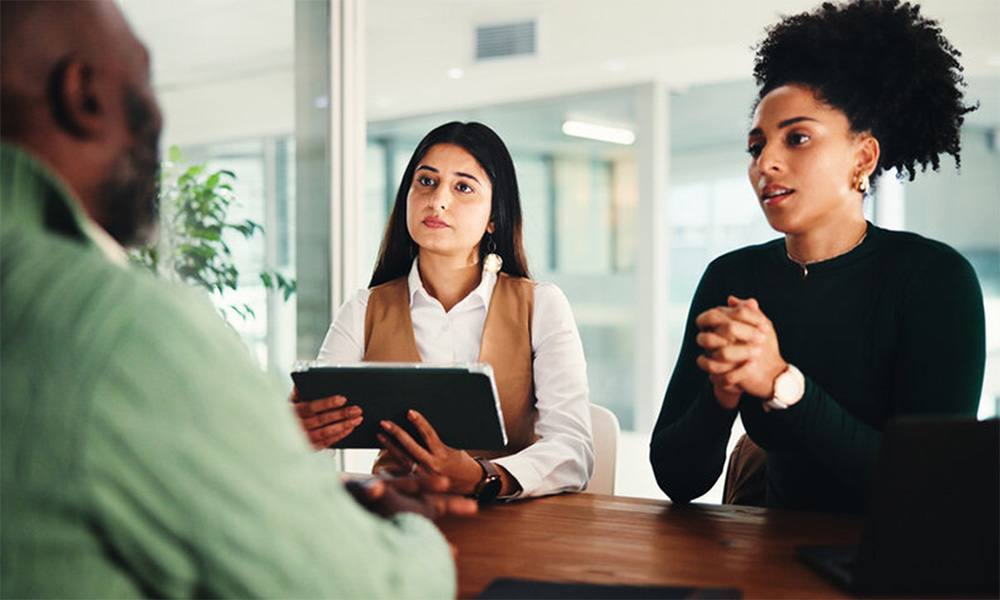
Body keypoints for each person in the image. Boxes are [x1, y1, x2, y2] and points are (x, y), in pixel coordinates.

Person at [0, 2, 472, 597]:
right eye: (144, 76)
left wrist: (313, 503)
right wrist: (412, 524)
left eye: (463, 188)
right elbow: (370, 589)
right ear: (85, 95)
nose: (440, 202)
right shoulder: (123, 330)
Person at [649, 0, 985, 515]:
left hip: (893, 571)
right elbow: (677, 479)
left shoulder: (934, 280)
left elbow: (927, 492)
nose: (767, 162)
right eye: (756, 146)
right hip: (769, 561)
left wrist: (783, 383)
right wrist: (720, 395)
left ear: (863, 157)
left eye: (797, 138)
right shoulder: (733, 277)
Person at [295, 122, 595, 501]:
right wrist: (296, 433)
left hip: (511, 522)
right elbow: (312, 424)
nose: (438, 200)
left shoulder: (542, 306)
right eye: (426, 182)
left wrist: (482, 477)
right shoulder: (363, 309)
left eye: (463, 187)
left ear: (494, 218)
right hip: (397, 519)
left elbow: (573, 449)